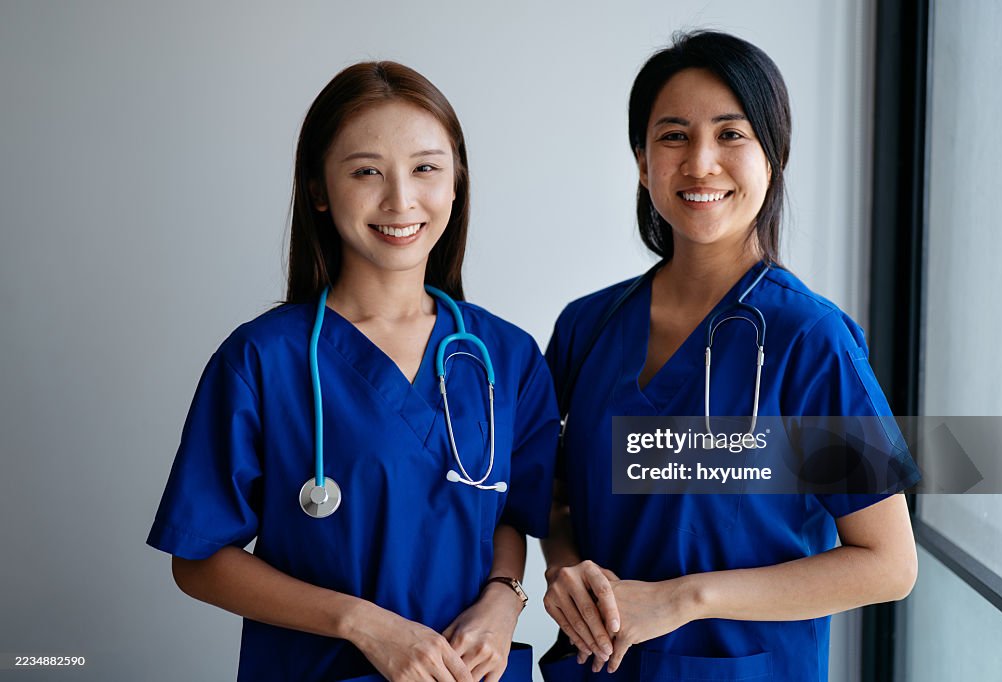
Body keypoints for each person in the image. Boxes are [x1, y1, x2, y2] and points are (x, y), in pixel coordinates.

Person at [147, 61, 558, 682]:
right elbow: (198, 559)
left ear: (456, 185)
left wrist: (504, 600)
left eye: (425, 169)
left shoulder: (506, 355)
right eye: (367, 171)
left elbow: (508, 515)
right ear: (319, 189)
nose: (400, 200)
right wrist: (364, 625)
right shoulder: (263, 360)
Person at [539, 31, 920, 682]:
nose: (701, 163)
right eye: (673, 135)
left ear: (773, 155)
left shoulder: (811, 340)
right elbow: (552, 493)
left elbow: (888, 563)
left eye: (730, 134)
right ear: (641, 160)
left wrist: (681, 599)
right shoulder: (586, 326)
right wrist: (563, 565)